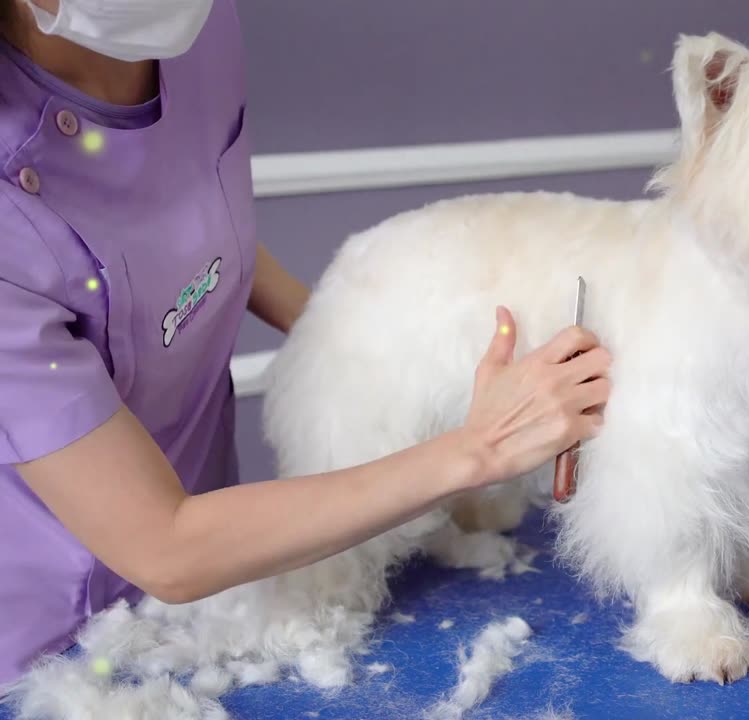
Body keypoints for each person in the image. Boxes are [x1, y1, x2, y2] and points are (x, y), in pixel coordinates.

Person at [0, 0, 611, 686]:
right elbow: (165, 546)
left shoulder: (196, 29)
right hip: (58, 633)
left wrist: (362, 338)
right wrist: (480, 447)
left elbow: (170, 230)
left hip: (222, 554)